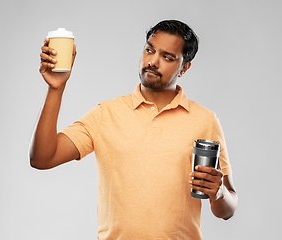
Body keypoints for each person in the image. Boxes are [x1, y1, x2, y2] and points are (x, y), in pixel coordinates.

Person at [30, 20, 238, 239]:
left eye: (167, 57)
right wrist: (56, 88)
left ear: (184, 67)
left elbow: (228, 209)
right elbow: (43, 158)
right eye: (149, 50)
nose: (153, 62)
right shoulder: (106, 114)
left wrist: (220, 192)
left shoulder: (205, 121)